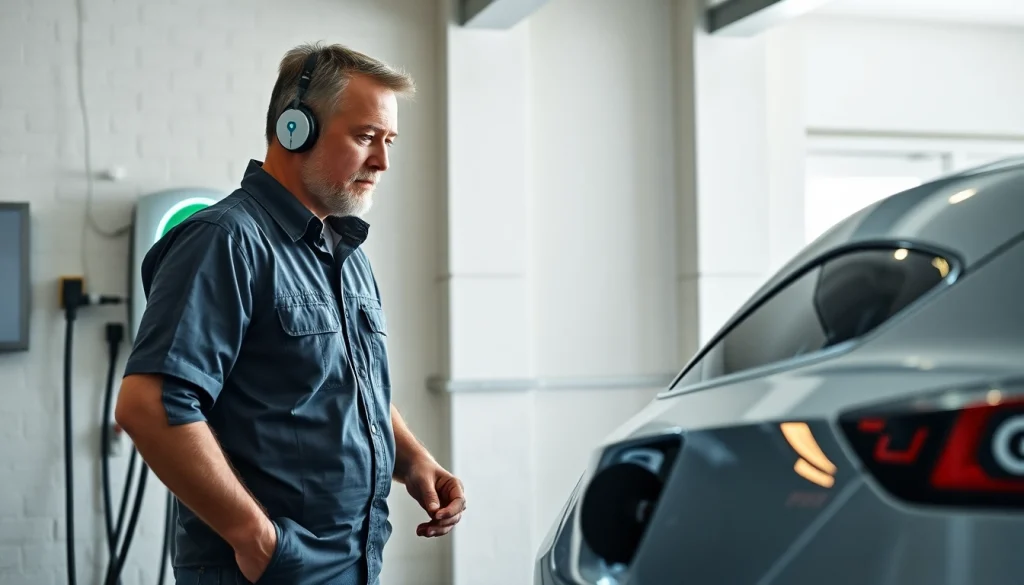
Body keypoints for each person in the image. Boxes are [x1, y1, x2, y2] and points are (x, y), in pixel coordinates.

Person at [114, 42, 465, 585]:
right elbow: (151, 405)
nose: (383, 161)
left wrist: (414, 459)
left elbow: (347, 384)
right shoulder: (224, 240)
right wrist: (257, 539)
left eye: (389, 141)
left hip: (352, 560)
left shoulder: (346, 256)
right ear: (294, 127)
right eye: (366, 136)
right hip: (265, 569)